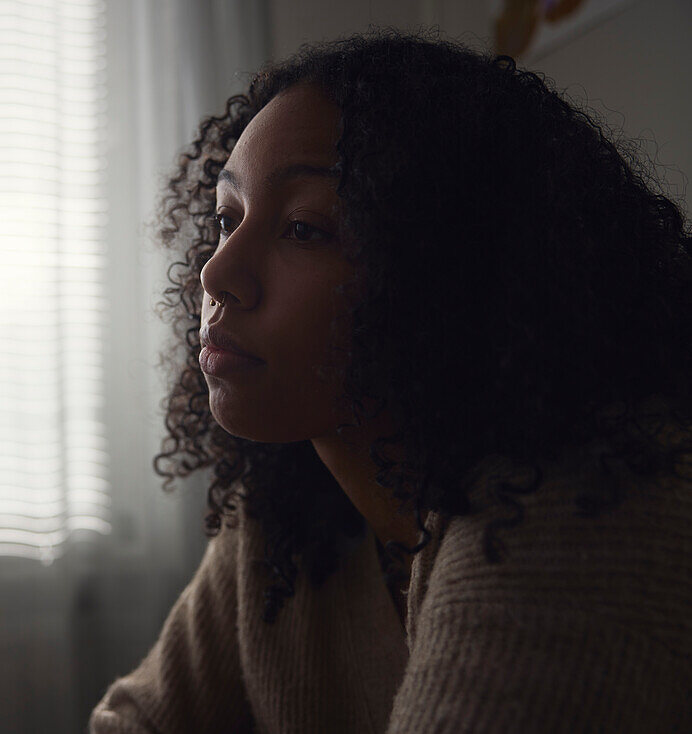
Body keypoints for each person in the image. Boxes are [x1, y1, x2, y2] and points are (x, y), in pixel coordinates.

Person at [89, 28, 692, 734]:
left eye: (305, 228)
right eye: (226, 218)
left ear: (451, 272)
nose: (218, 274)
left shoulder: (588, 505)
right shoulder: (285, 513)